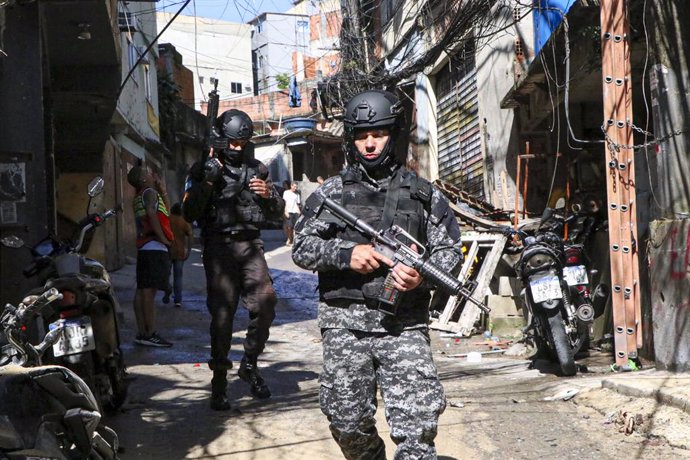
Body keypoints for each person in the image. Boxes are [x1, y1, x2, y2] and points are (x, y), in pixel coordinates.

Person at [292, 89, 463, 459]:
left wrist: (421, 277)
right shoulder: (332, 194)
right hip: (344, 326)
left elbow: (450, 253)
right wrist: (345, 254)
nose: (370, 144)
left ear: (393, 135)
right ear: (351, 138)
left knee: (417, 426)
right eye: (361, 135)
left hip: (404, 325)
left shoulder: (422, 195)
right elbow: (301, 249)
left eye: (379, 134)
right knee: (347, 421)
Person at [183, 109, 285, 411]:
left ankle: (249, 363)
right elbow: (188, 213)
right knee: (223, 317)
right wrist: (208, 183)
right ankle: (219, 381)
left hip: (250, 244)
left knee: (266, 303)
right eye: (233, 143)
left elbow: (276, 213)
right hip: (217, 247)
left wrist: (269, 195)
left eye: (243, 143)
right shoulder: (202, 169)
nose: (238, 149)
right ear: (221, 139)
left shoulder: (258, 169)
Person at [127, 165, 174, 348]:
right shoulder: (149, 193)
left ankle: (142, 332)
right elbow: (154, 216)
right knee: (149, 292)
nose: (151, 173)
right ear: (144, 179)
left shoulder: (142, 195)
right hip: (155, 246)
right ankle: (150, 333)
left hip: (145, 247)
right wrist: (164, 239)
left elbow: (165, 213)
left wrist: (163, 191)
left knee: (142, 290)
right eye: (147, 172)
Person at [167, 203, 193, 308]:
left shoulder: (168, 220)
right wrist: (189, 251)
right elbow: (190, 236)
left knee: (166, 274)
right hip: (180, 253)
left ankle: (167, 292)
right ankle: (178, 299)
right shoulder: (184, 222)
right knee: (178, 276)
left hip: (168, 251)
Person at [282, 181, 301, 245]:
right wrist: (285, 211)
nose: (295, 188)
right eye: (294, 186)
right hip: (289, 211)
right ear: (291, 186)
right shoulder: (286, 193)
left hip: (295, 211)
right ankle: (290, 238)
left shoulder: (297, 194)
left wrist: (299, 212)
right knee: (289, 227)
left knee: (296, 227)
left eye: (296, 187)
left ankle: (294, 241)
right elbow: (284, 203)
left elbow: (297, 204)